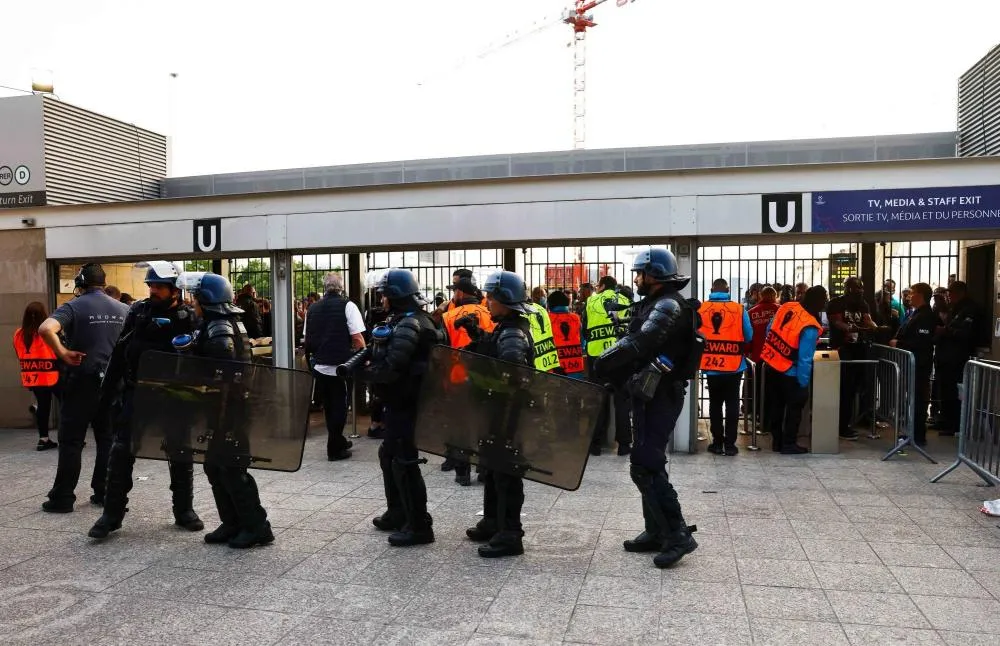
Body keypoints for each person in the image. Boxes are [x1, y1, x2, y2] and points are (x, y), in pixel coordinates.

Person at [594, 248, 702, 569]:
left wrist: (604, 362)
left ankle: (678, 535)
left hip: (662, 395)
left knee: (645, 463)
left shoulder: (668, 305)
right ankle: (656, 531)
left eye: (640, 273)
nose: (637, 279)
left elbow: (640, 342)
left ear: (654, 274)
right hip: (647, 393)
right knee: (647, 462)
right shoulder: (655, 303)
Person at [88, 262, 205, 539]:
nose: (153, 290)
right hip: (137, 392)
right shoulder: (138, 312)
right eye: (151, 285)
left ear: (174, 290)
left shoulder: (188, 316)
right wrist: (105, 395)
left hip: (174, 396)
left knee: (180, 451)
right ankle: (111, 514)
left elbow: (199, 360)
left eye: (159, 286)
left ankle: (184, 510)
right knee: (121, 452)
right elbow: (120, 350)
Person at [179, 272, 274, 548]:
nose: (193, 303)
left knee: (232, 468)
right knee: (216, 466)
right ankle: (232, 522)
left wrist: (191, 362)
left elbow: (221, 371)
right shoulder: (219, 323)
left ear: (205, 300)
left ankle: (257, 526)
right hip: (222, 408)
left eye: (196, 298)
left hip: (229, 409)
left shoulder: (219, 327)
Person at [361, 269, 442, 547]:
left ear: (394, 296)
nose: (381, 299)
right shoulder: (410, 320)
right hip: (404, 402)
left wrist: (366, 373)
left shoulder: (410, 324)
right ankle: (398, 512)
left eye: (384, 294)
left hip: (407, 403)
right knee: (390, 454)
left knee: (404, 461)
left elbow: (393, 367)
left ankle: (418, 525)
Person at [39, 263, 128, 513]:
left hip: (82, 381)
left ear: (80, 283)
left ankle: (63, 497)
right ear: (103, 282)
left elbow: (46, 329)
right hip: (112, 383)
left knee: (71, 440)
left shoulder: (73, 307)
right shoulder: (123, 309)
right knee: (107, 438)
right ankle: (103, 491)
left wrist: (64, 352)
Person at [459, 270, 535, 558]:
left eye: (491, 296)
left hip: (507, 415)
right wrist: (475, 333)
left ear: (504, 300)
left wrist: (481, 384)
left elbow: (511, 376)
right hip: (498, 413)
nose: (487, 301)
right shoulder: (507, 328)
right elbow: (493, 349)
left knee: (506, 474)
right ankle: (492, 522)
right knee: (492, 468)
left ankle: (510, 534)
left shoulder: (513, 334)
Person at [440, 273, 495, 485]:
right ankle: (483, 468)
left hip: (456, 377)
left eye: (454, 290)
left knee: (460, 424)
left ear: (461, 292)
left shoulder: (449, 317)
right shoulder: (489, 314)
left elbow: (441, 350)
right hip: (485, 378)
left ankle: (462, 471)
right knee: (484, 423)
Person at [305, 272, 366, 461]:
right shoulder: (348, 305)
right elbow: (357, 338)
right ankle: (335, 449)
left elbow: (308, 338)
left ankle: (338, 440)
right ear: (341, 287)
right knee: (341, 407)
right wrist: (364, 355)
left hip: (320, 366)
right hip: (342, 366)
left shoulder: (312, 308)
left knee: (329, 407)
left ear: (325, 287)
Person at [760, 286, 828, 454]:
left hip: (771, 364)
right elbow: (805, 358)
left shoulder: (786, 306)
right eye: (824, 299)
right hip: (791, 372)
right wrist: (803, 382)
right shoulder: (810, 325)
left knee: (776, 406)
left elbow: (770, 328)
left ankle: (777, 442)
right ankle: (789, 444)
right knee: (794, 409)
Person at [699, 279, 752, 456]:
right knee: (732, 404)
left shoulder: (702, 309)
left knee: (714, 404)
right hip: (734, 365)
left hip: (711, 365)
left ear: (711, 289)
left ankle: (717, 443)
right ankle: (730, 444)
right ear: (728, 290)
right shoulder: (739, 309)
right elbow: (749, 335)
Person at [584, 276, 633, 456]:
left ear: (603, 286)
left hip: (597, 356)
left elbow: (585, 329)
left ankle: (595, 444)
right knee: (622, 401)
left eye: (598, 285)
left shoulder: (591, 301)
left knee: (598, 400)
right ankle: (624, 445)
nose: (596, 288)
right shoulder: (625, 300)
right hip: (620, 357)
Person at [826, 277, 879, 440]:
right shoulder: (836, 303)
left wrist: (875, 327)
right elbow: (836, 322)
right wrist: (849, 328)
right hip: (842, 351)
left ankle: (858, 420)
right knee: (844, 389)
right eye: (856, 287)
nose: (860, 290)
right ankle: (841, 426)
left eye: (861, 287)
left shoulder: (863, 303)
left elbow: (868, 320)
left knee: (859, 387)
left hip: (860, 350)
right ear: (847, 288)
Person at [891, 283, 937, 447]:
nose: (909, 296)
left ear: (921, 295)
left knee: (918, 400)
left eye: (913, 293)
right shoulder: (914, 314)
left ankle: (918, 435)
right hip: (912, 364)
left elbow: (921, 341)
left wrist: (899, 344)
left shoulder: (925, 316)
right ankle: (913, 432)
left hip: (920, 364)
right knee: (912, 399)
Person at [934, 281, 981, 436]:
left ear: (960, 292)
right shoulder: (954, 308)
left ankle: (953, 424)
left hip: (957, 357)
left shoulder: (970, 309)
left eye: (951, 293)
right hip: (946, 357)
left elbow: (965, 333)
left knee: (954, 392)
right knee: (945, 390)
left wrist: (946, 331)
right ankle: (944, 420)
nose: (949, 297)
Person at [14, 302, 60, 451]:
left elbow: (18, 354)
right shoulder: (48, 332)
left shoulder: (19, 334)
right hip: (53, 374)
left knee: (43, 406)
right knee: (66, 404)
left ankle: (43, 438)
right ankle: (70, 437)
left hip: (33, 376)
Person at [747, 286, 780, 427]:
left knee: (757, 390)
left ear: (761, 296)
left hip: (756, 357)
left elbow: (748, 336)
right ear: (775, 296)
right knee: (774, 391)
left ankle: (757, 416)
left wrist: (748, 351)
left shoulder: (751, 312)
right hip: (776, 358)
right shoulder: (780, 310)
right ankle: (772, 420)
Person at [547, 289, 585, 379]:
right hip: (576, 364)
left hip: (556, 367)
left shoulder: (548, 319)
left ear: (550, 304)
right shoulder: (575, 318)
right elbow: (582, 341)